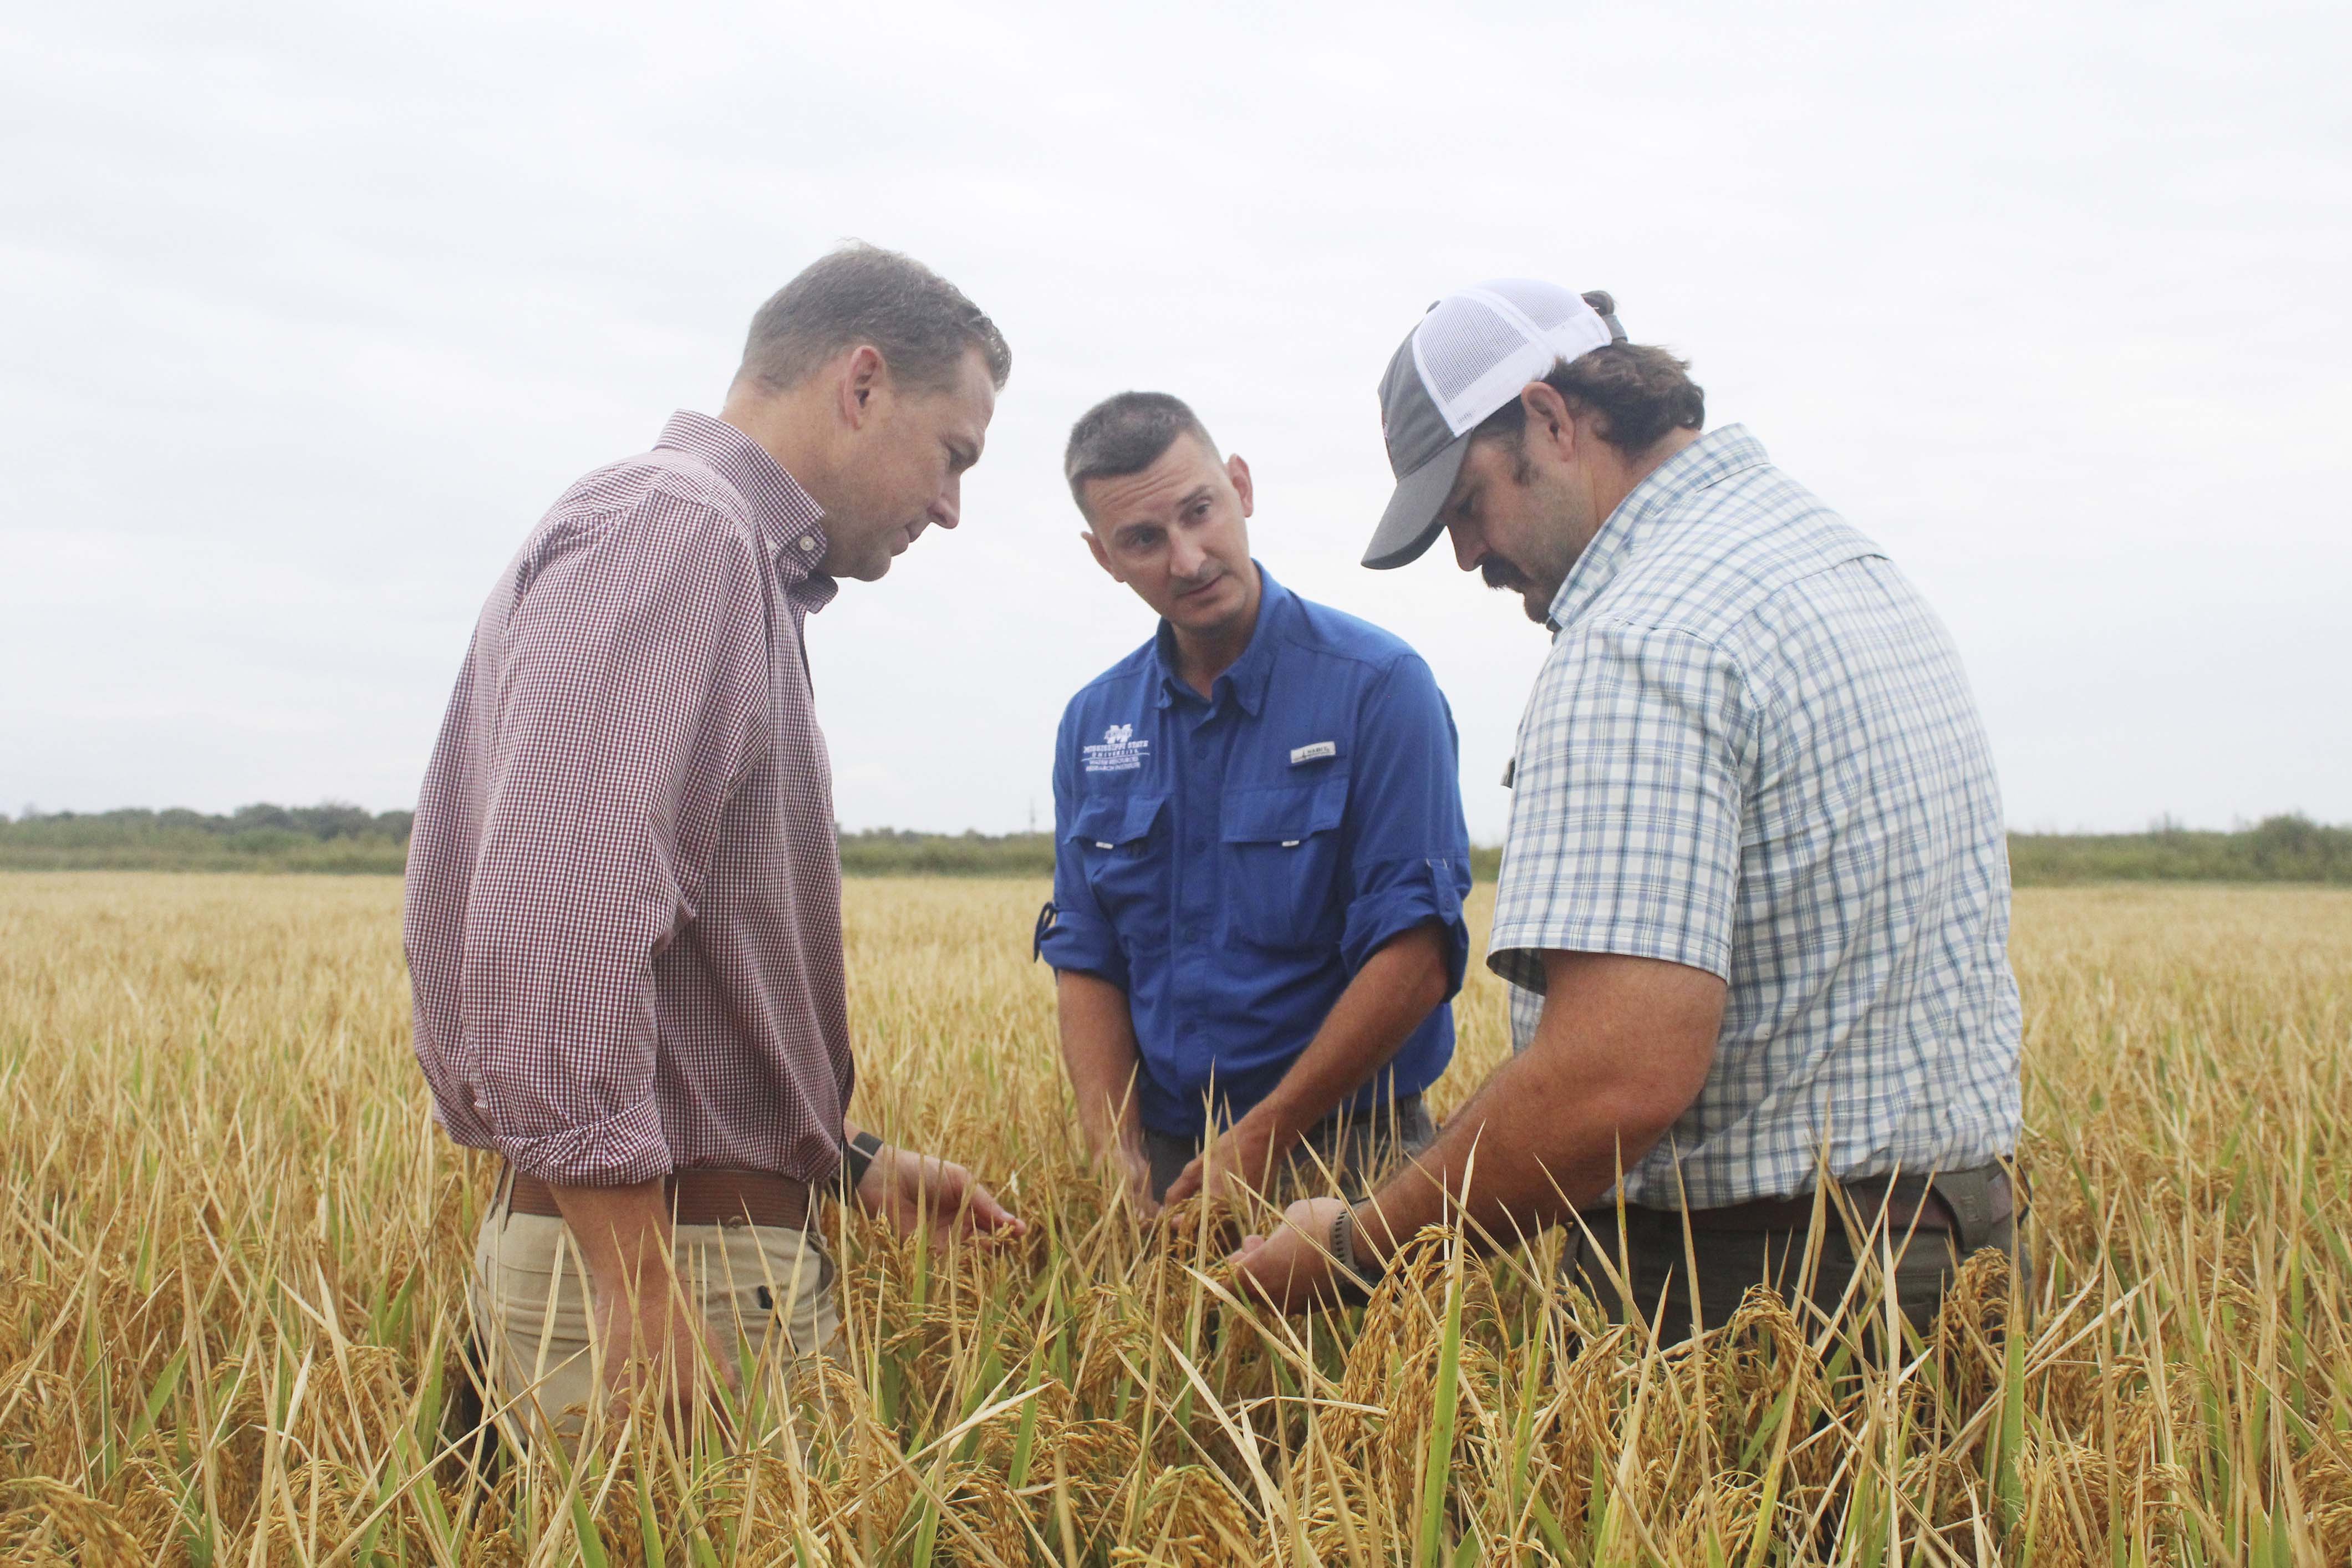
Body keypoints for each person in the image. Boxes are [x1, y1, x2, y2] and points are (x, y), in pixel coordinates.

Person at [1234, 279, 2025, 1340]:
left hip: (1769, 1290)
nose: (1467, 557)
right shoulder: (1836, 559)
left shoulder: (1639, 637)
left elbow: (1612, 1077)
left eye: (1466, 505)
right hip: (1952, 1242)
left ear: (1550, 421)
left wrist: (1352, 1247)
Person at [405, 242, 1026, 1444]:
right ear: (862, 384)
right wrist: (639, 1283)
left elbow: (684, 976)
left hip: (679, 1250)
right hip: (666, 1270)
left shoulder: (713, 550)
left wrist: (844, 1163)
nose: (952, 505)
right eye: (954, 455)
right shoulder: (678, 531)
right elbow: (559, 927)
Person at [1037, 391, 1473, 1213]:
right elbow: (1088, 955)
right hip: (1167, 1164)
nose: (1189, 558)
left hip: (1350, 1159)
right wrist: (1114, 1156)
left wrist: (1266, 1135)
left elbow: (1416, 953)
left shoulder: (1379, 689)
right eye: (1143, 539)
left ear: (1240, 488)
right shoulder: (1094, 724)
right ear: (1104, 557)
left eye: (1199, 512)